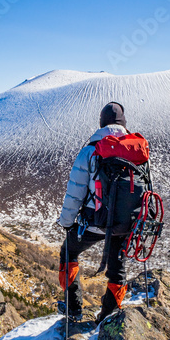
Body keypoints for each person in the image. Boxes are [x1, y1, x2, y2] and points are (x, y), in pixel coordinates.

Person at [58, 101, 131, 325]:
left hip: (94, 222)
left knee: (68, 253)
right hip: (126, 224)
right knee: (117, 270)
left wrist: (67, 222)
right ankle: (107, 317)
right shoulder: (135, 149)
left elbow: (75, 193)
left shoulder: (90, 151)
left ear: (101, 123)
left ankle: (74, 310)